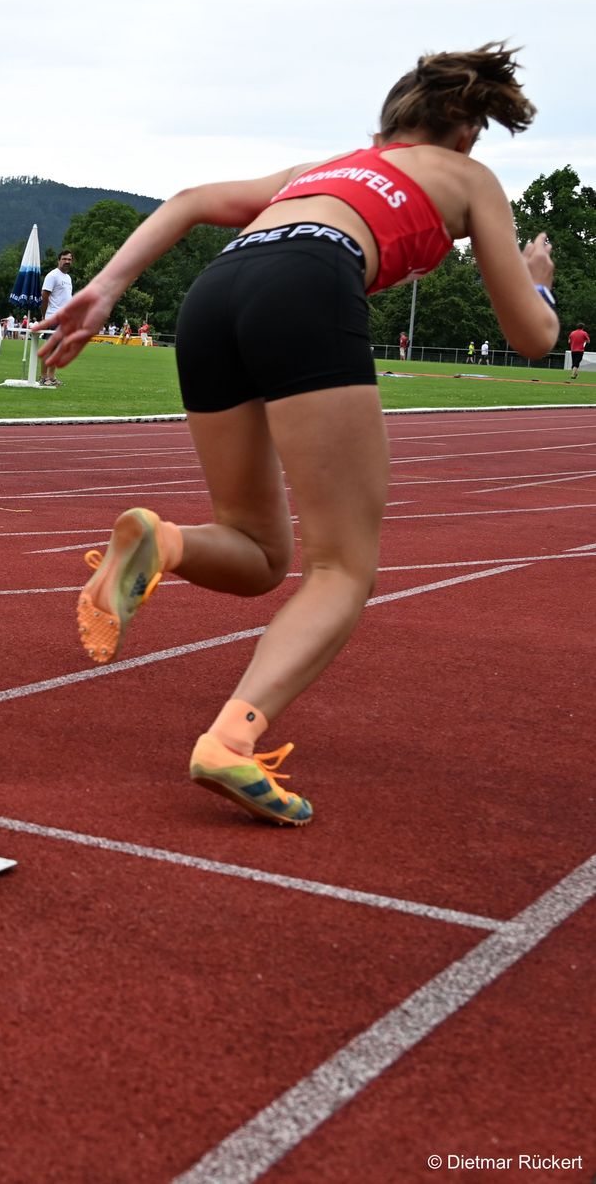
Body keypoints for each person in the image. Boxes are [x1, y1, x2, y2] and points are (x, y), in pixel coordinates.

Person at [44, 43, 554, 826]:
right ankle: (231, 741)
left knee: (259, 555)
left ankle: (162, 541)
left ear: (388, 124)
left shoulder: (318, 171)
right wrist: (540, 284)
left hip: (219, 290)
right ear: (464, 132)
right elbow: (532, 338)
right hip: (311, 281)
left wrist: (107, 287)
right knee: (345, 566)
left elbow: (184, 201)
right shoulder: (472, 179)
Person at [40, 250, 75, 387]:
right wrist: (44, 316)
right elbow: (44, 295)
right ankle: (43, 377)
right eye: (64, 259)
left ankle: (52, 376)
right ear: (58, 260)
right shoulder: (53, 276)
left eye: (69, 259)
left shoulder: (67, 277)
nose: (67, 261)